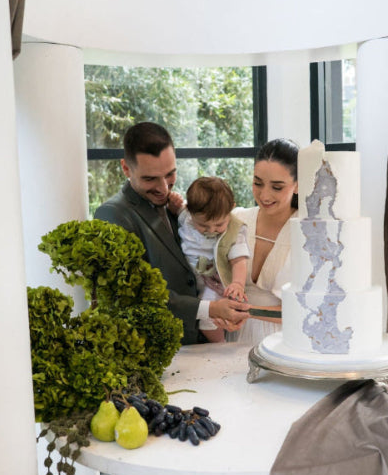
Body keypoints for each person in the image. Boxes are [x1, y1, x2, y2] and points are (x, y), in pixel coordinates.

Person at [94, 122, 250, 345]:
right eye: (150, 179)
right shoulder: (112, 214)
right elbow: (135, 295)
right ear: (126, 168)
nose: (163, 188)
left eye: (170, 174)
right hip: (157, 348)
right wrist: (211, 308)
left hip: (197, 343)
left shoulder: (178, 207)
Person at [228, 138, 299, 345]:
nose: (264, 195)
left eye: (277, 187)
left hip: (283, 341)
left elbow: (309, 309)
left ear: (297, 185)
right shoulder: (237, 220)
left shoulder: (308, 231)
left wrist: (245, 311)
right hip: (233, 335)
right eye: (257, 183)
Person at [167, 177, 250, 344]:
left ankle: (219, 344)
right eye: (204, 226)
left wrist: (238, 284)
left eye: (219, 224)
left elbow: (239, 260)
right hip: (187, 279)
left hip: (213, 280)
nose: (211, 230)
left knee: (209, 318)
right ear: (190, 212)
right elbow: (176, 209)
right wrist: (173, 203)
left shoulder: (235, 231)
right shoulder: (185, 216)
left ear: (231, 209)